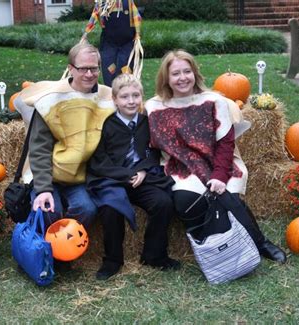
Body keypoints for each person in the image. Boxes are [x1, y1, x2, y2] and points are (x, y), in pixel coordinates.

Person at [145, 50, 287, 263]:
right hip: (180, 166)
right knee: (185, 202)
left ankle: (258, 242)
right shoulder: (154, 107)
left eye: (187, 71)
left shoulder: (213, 101)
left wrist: (220, 176)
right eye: (176, 73)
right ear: (166, 78)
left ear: (195, 73)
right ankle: (215, 251)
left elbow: (225, 144)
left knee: (222, 194)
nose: (182, 77)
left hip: (218, 162)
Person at [87, 73, 180, 280]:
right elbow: (99, 160)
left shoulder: (147, 122)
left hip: (142, 178)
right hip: (113, 179)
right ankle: (112, 260)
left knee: (163, 202)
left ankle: (154, 255)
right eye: (125, 97)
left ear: (142, 97)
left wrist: (144, 170)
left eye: (136, 96)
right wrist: (126, 174)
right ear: (115, 100)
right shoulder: (106, 125)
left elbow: (155, 151)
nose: (131, 101)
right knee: (111, 209)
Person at [14, 43, 115, 231]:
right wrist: (44, 188)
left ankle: (64, 247)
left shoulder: (107, 99)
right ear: (70, 68)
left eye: (94, 68)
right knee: (49, 210)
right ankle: (47, 251)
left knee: (87, 209)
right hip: (50, 174)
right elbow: (39, 148)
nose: (89, 74)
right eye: (83, 68)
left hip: (79, 177)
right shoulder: (51, 100)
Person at [82, 0, 142, 87]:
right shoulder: (102, 4)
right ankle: (110, 90)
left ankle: (125, 89)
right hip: (109, 43)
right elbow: (94, 17)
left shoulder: (128, 2)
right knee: (109, 66)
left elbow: (137, 17)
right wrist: (86, 33)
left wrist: (137, 34)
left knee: (125, 67)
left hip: (127, 42)